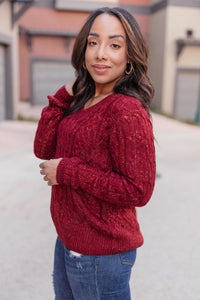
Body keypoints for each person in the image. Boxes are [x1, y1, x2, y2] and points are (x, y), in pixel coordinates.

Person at [34, 6, 156, 300]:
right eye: (93, 42)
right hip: (69, 241)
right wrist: (66, 94)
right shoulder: (86, 98)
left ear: (129, 57)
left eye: (115, 45)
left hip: (101, 254)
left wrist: (67, 172)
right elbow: (43, 148)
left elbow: (138, 190)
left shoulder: (125, 110)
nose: (101, 53)